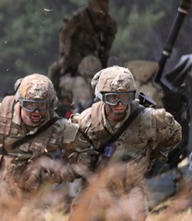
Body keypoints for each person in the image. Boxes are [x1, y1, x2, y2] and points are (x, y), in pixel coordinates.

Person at [71, 66, 182, 221]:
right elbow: (72, 147)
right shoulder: (88, 120)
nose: (120, 104)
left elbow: (174, 133)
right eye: (113, 98)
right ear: (101, 97)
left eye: (126, 97)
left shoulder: (149, 119)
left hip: (131, 191)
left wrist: (155, 156)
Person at [0, 74, 91, 196]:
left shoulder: (58, 127)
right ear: (20, 102)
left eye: (43, 105)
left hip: (27, 198)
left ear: (51, 105)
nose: (36, 112)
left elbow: (85, 157)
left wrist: (54, 175)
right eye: (30, 105)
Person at [50, 0, 118, 101]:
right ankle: (55, 95)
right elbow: (66, 32)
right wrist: (66, 52)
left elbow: (109, 38)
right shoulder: (80, 17)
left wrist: (104, 55)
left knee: (55, 70)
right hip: (74, 53)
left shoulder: (107, 21)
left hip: (90, 55)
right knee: (55, 70)